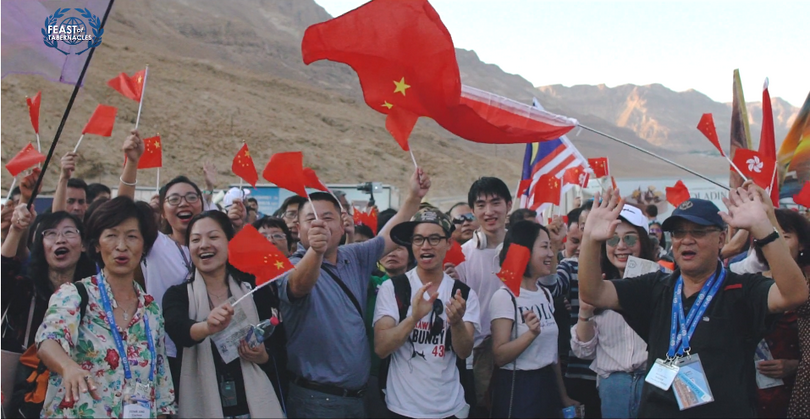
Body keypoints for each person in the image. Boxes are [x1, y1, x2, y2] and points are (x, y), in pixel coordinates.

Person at [578, 188, 808, 417]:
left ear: (720, 238)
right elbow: (593, 293)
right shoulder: (656, 287)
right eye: (678, 233)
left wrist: (764, 231)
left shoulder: (742, 289)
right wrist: (590, 239)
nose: (686, 240)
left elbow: (794, 295)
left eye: (697, 232)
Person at [276, 168, 430, 418]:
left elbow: (388, 237)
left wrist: (413, 198)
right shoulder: (287, 266)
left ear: (342, 222)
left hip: (358, 396)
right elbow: (298, 286)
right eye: (311, 219)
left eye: (328, 217)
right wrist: (316, 251)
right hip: (315, 399)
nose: (320, 224)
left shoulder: (354, 256)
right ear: (298, 227)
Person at [116, 129, 245, 388]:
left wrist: (238, 228)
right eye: (173, 199)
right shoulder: (154, 243)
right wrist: (132, 163)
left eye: (191, 197)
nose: (183, 203)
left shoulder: (216, 244)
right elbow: (121, 212)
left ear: (202, 204)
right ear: (162, 209)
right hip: (168, 351)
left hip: (220, 345)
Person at [35, 196, 175, 418]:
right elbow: (48, 342)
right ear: (97, 245)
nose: (121, 246)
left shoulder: (151, 309)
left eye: (131, 237)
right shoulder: (76, 294)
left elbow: (161, 387)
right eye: (111, 236)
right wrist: (67, 367)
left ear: (144, 245)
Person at [163, 211, 285, 418]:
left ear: (229, 242)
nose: (203, 245)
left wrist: (263, 356)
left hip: (254, 407)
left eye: (213, 237)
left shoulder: (254, 288)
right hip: (200, 405)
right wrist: (206, 327)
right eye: (195, 240)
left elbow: (279, 344)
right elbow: (178, 329)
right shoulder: (178, 294)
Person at [375, 208, 480, 419]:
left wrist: (457, 322)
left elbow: (464, 351)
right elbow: (381, 347)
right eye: (419, 239)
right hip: (401, 408)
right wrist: (413, 317)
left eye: (434, 239)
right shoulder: (394, 289)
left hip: (449, 407)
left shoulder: (463, 293)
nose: (425, 246)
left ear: (448, 243)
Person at [489, 220, 579, 417]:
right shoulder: (505, 297)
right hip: (520, 389)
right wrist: (530, 335)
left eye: (551, 247)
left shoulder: (545, 294)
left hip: (548, 386)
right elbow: (499, 356)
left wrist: (563, 397)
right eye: (544, 247)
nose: (550, 253)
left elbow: (552, 355)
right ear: (524, 251)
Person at [571, 205, 652, 418]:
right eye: (613, 239)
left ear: (643, 240)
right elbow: (583, 351)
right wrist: (586, 311)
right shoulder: (596, 285)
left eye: (630, 239)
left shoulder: (663, 281)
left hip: (653, 381)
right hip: (614, 385)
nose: (621, 246)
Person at [447, 177, 512, 413]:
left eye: (496, 203)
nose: (489, 211)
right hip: (479, 358)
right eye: (481, 205)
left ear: (509, 205)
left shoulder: (523, 250)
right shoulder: (462, 257)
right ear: (473, 211)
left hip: (520, 350)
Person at [540, 200, 602, 418]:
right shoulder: (571, 265)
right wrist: (553, 248)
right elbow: (551, 287)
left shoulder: (623, 263)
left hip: (619, 374)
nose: (588, 233)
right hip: (580, 373)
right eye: (583, 226)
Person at [365, 244, 410, 418]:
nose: (392, 253)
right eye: (387, 248)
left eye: (399, 248)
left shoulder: (420, 285)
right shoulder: (371, 282)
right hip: (374, 372)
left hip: (408, 374)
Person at [52, 151, 88, 220]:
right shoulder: (48, 228)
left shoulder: (93, 227)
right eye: (70, 202)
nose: (76, 208)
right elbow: (57, 216)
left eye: (81, 202)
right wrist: (64, 177)